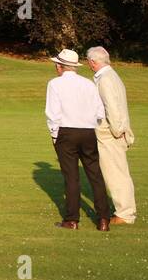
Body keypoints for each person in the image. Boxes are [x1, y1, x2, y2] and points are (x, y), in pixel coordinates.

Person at [45, 48, 111, 231]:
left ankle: (72, 220)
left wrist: (54, 134)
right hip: (89, 132)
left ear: (60, 66)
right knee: (95, 175)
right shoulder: (89, 83)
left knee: (71, 177)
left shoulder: (54, 84)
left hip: (66, 132)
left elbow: (53, 113)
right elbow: (100, 111)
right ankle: (104, 219)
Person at [87, 46, 136, 225]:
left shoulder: (106, 79)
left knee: (115, 174)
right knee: (117, 172)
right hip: (113, 132)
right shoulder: (111, 75)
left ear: (93, 62)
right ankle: (125, 211)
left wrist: (115, 131)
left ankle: (125, 214)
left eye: (88, 61)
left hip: (110, 134)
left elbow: (112, 108)